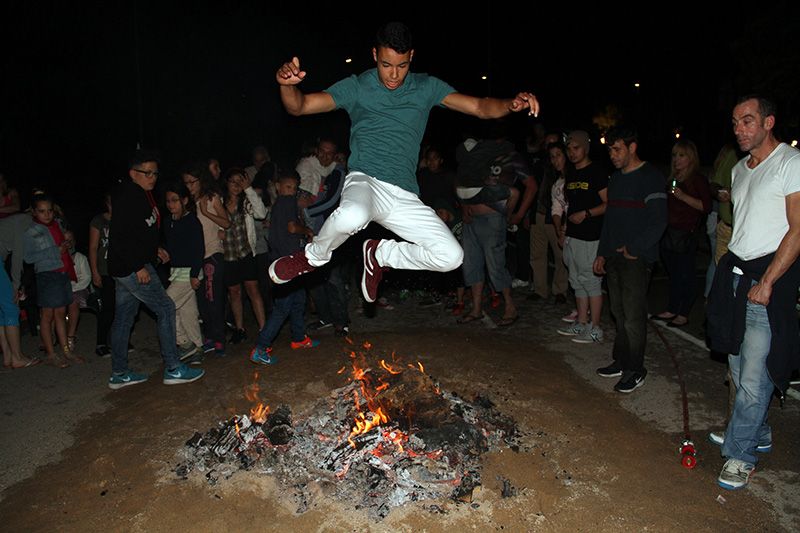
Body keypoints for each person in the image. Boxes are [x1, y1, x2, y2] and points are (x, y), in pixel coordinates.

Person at [268, 21, 539, 304]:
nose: (394, 75)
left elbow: (480, 107)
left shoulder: (427, 87)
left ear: (411, 57)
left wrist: (510, 104)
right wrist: (286, 86)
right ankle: (312, 258)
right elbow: (298, 106)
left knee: (451, 256)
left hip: (404, 195)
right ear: (374, 55)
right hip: (366, 181)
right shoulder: (358, 87)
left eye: (402, 65)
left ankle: (380, 254)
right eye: (386, 65)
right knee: (352, 215)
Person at [707, 95, 800, 490]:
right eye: (734, 122)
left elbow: (798, 230)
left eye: (748, 121)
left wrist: (768, 283)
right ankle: (756, 432)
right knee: (735, 364)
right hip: (736, 277)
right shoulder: (741, 170)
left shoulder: (791, 163)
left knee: (753, 377)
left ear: (768, 122)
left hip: (769, 279)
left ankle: (740, 455)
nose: (739, 129)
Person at [107, 150, 204, 389]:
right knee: (166, 307)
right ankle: (173, 367)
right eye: (146, 173)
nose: (152, 177)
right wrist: (138, 265)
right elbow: (121, 236)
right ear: (133, 173)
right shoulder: (129, 197)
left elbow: (142, 232)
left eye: (154, 173)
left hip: (131, 265)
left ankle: (119, 373)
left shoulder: (144, 195)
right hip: (132, 267)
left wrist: (154, 251)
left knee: (124, 318)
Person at [593, 127, 667, 393]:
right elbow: (610, 220)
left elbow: (659, 221)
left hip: (636, 258)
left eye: (617, 149)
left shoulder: (651, 177)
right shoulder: (615, 179)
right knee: (619, 313)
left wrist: (634, 248)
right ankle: (621, 361)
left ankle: (636, 369)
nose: (612, 155)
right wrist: (601, 252)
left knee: (634, 317)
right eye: (610, 150)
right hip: (613, 256)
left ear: (632, 147)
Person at [250, 173, 320, 365]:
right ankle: (261, 347)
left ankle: (298, 338)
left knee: (299, 299)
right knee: (283, 307)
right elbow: (291, 228)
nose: (292, 191)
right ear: (278, 186)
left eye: (294, 188)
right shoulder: (288, 202)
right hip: (285, 265)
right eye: (288, 187)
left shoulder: (279, 204)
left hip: (288, 260)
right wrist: (307, 231)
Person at [650, 139, 712, 327]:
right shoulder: (672, 179)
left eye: (682, 155)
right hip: (669, 233)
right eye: (675, 155)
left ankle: (683, 313)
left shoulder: (697, 180)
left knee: (687, 275)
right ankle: (672, 308)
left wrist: (683, 196)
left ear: (691, 158)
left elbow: (706, 207)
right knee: (674, 274)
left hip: (686, 234)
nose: (677, 159)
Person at [556, 130, 608, 343]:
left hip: (591, 236)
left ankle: (596, 328)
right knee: (576, 281)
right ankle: (582, 323)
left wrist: (587, 214)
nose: (571, 152)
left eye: (575, 148)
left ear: (585, 148)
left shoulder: (597, 172)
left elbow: (608, 203)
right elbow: (570, 205)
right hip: (573, 236)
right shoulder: (571, 174)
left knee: (592, 282)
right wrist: (564, 229)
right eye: (568, 149)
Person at [23, 193, 82, 367]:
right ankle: (51, 354)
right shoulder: (31, 231)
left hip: (62, 273)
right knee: (47, 315)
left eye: (49, 210)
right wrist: (56, 250)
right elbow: (28, 257)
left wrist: (68, 244)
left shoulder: (57, 225)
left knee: (60, 314)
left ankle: (65, 351)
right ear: (34, 212)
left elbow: (66, 250)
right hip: (47, 275)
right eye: (42, 211)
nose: (47, 214)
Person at [163, 182, 205, 363]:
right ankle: (197, 347)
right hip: (176, 271)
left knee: (166, 304)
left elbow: (198, 249)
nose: (171, 204)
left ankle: (185, 343)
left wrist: (195, 274)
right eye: (168, 201)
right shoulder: (168, 222)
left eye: (175, 200)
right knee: (187, 310)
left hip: (190, 272)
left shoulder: (192, 221)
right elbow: (172, 247)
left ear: (184, 200)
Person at [0, 213, 39, 369]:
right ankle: (17, 358)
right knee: (11, 307)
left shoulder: (15, 221)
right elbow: (17, 257)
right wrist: (16, 286)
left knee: (2, 311)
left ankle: (8, 357)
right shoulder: (24, 221)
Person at [63, 229, 91, 353]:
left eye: (70, 240)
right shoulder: (57, 259)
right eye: (65, 240)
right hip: (62, 290)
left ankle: (70, 337)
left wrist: (73, 289)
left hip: (80, 289)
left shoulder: (81, 258)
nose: (68, 243)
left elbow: (86, 278)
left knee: (73, 302)